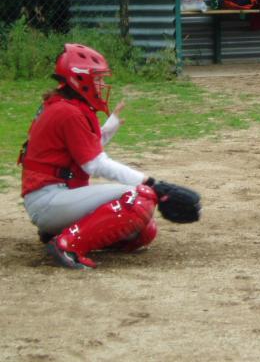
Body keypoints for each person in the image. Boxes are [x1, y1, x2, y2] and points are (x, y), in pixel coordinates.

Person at [19, 43, 162, 270]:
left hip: (56, 197)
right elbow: (94, 164)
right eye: (97, 78)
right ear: (79, 79)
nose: (101, 84)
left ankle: (60, 232)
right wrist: (151, 182)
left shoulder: (64, 105)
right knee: (138, 198)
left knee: (143, 231)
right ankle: (67, 244)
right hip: (48, 201)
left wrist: (108, 129)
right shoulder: (68, 111)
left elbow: (81, 151)